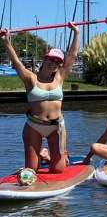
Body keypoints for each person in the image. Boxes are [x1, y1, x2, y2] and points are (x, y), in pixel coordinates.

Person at [1, 22, 80, 173]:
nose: (54, 63)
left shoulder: (59, 77)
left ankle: (48, 156)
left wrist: (76, 33)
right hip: (34, 126)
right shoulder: (31, 79)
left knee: (58, 170)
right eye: (51, 60)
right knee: (32, 169)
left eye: (57, 62)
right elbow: (17, 63)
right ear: (45, 59)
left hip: (57, 127)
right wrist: (6, 41)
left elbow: (72, 55)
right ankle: (42, 156)